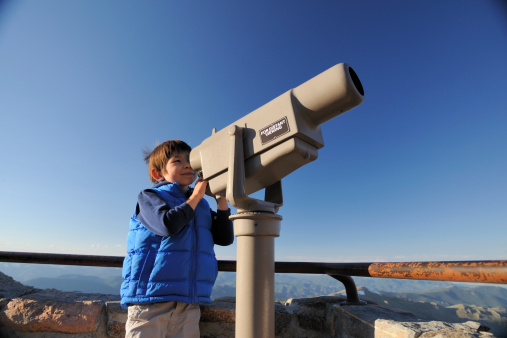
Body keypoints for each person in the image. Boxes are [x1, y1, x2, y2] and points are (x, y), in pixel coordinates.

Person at [121, 140, 234, 337]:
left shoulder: (201, 205)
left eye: (190, 160)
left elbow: (224, 238)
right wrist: (196, 197)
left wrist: (220, 200)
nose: (187, 165)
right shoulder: (150, 197)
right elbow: (166, 225)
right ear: (158, 174)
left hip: (188, 302)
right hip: (150, 300)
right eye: (177, 161)